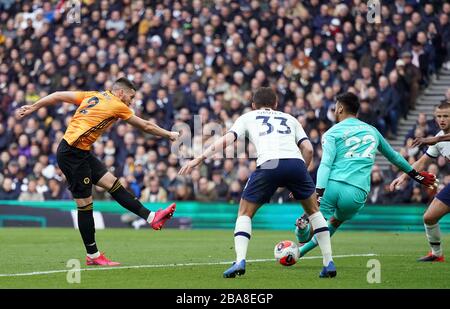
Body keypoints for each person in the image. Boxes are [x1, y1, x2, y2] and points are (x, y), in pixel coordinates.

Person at [16, 77, 179, 266]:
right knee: (85, 205)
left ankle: (152, 217)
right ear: (120, 93)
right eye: (131, 97)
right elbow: (146, 126)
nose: (131, 102)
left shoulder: (93, 96)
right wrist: (169, 134)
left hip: (80, 151)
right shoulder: (117, 105)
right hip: (72, 155)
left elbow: (58, 95)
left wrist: (34, 106)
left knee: (113, 183)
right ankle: (93, 255)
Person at [179, 87, 336, 278]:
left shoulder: (248, 117)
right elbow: (308, 149)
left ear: (253, 105)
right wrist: (300, 175)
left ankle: (240, 261)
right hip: (296, 164)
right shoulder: (290, 119)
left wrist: (199, 158)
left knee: (244, 213)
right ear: (276, 104)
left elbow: (226, 141)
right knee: (314, 212)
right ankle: (328, 262)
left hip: (269, 164)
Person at [294, 92, 437, 259]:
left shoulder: (332, 133)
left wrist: (318, 193)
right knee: (335, 222)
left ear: (340, 109)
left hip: (332, 185)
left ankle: (301, 229)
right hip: (357, 192)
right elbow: (394, 157)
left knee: (309, 228)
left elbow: (325, 164)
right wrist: (417, 176)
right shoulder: (372, 131)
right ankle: (299, 253)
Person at [391, 101, 450, 262]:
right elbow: (422, 161)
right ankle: (436, 254)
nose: (442, 119)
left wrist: (434, 140)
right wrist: (403, 177)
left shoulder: (437, 139)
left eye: (446, 116)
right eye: (439, 116)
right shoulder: (438, 138)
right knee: (429, 217)